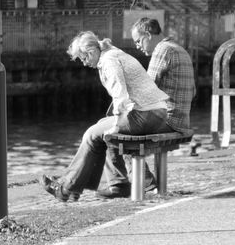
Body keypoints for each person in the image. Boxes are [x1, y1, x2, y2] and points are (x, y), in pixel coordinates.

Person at [40, 31, 170, 202]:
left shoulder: (108, 61)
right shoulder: (111, 54)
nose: (84, 64)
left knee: (92, 134)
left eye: (83, 58)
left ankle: (67, 189)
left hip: (145, 114)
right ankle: (118, 184)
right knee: (103, 125)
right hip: (156, 113)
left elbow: (120, 95)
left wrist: (116, 124)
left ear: (92, 52)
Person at [97, 17, 196, 198]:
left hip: (168, 119)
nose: (137, 46)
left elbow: (146, 87)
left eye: (138, 40)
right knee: (121, 121)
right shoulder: (179, 49)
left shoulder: (162, 50)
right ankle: (141, 183)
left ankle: (127, 184)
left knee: (117, 130)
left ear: (148, 35)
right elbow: (194, 91)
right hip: (182, 118)